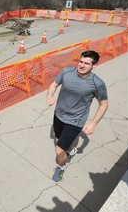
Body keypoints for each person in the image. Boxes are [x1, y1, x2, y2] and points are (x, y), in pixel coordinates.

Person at [46, 50, 108, 183]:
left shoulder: (97, 83)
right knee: (58, 141)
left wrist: (93, 124)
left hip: (75, 120)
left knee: (58, 151)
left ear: (94, 66)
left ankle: (60, 167)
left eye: (86, 63)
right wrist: (50, 96)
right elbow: (54, 84)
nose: (82, 65)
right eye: (81, 61)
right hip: (58, 115)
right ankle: (69, 150)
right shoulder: (67, 72)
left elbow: (103, 104)